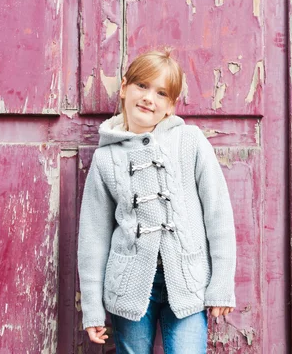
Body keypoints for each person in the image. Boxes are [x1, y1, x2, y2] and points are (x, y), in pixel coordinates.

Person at [77, 48, 237, 354]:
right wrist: (92, 308)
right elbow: (93, 239)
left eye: (161, 93)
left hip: (189, 282)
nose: (149, 97)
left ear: (170, 107)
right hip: (128, 288)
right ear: (123, 88)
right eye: (142, 86)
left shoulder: (189, 142)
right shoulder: (105, 158)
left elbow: (218, 216)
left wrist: (221, 285)